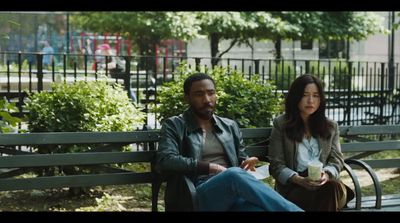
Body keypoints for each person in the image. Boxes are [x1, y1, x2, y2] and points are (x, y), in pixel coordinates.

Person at [155, 72, 303, 212]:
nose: (207, 99)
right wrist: (211, 167)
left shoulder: (229, 126)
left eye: (211, 93)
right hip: (195, 195)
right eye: (199, 94)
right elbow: (165, 160)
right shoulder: (175, 125)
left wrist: (246, 162)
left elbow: (239, 160)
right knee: (233, 175)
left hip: (231, 194)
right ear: (186, 98)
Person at [268, 74, 354, 211]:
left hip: (327, 184)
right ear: (296, 97)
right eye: (305, 95)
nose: (310, 100)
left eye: (315, 95)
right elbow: (276, 164)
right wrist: (299, 180)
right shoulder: (281, 124)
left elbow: (337, 159)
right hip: (295, 187)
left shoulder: (330, 126)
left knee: (330, 188)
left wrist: (326, 175)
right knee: (326, 195)